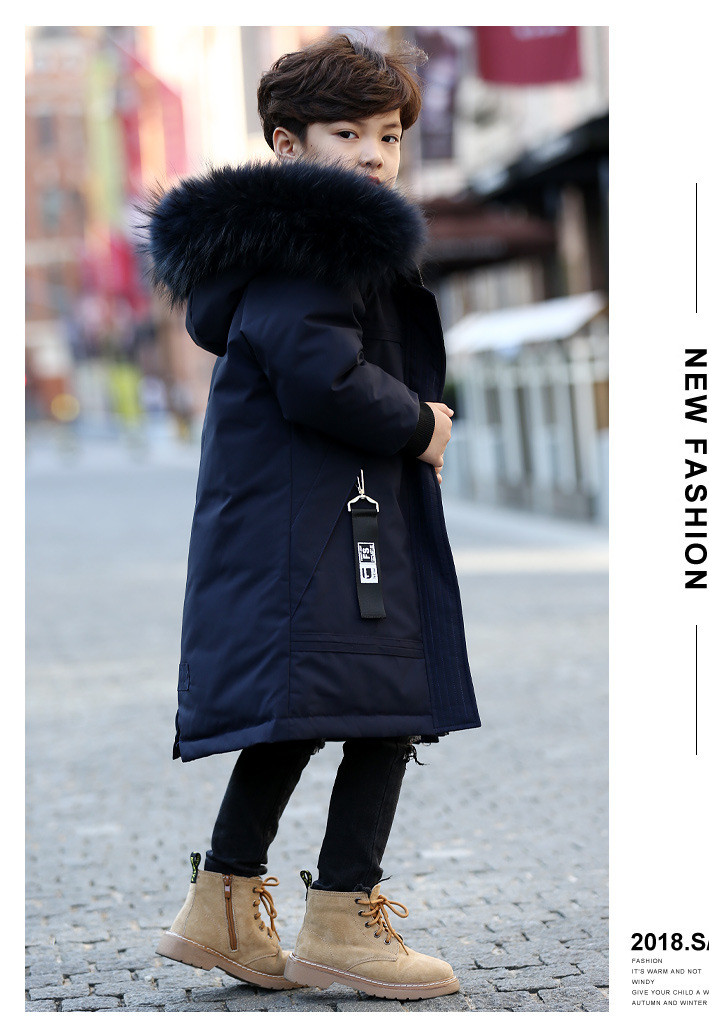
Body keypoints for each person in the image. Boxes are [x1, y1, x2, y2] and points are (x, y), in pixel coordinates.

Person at [141, 32, 480, 1001]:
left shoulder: (296, 245)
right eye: (348, 133)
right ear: (288, 145)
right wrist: (419, 422)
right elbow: (318, 374)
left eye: (389, 136)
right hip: (329, 527)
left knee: (314, 708)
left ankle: (221, 905)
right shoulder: (312, 247)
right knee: (384, 708)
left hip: (316, 521)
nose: (374, 155)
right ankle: (341, 916)